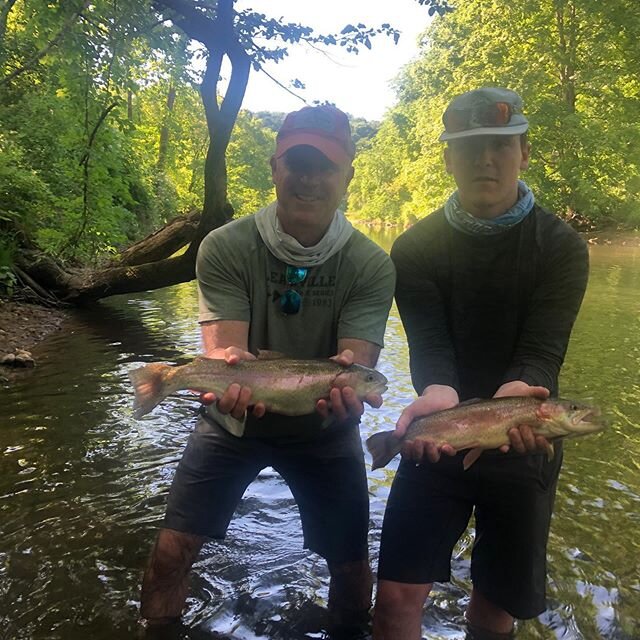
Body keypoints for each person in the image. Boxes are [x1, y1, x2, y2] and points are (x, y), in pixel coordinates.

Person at [140, 104, 396, 637]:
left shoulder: (371, 264)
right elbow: (226, 352)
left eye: (323, 166)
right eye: (296, 163)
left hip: (325, 428)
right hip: (234, 422)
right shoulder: (226, 246)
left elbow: (360, 362)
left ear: (348, 173)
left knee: (352, 569)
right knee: (170, 552)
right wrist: (216, 374)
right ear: (273, 167)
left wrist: (352, 382)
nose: (308, 178)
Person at [372, 87, 589, 640]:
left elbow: (542, 352)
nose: (485, 159)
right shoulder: (415, 248)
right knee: (395, 597)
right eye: (469, 148)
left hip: (526, 435)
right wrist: (436, 391)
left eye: (499, 144)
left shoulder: (561, 246)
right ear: (448, 158)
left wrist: (523, 396)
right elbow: (431, 350)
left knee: (494, 609)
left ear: (524, 150)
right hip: (439, 431)